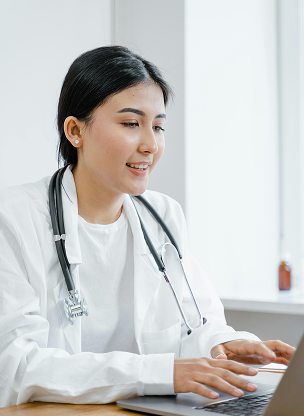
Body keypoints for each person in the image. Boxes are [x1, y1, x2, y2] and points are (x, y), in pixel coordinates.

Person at [0, 46, 294, 407]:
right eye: (130, 123)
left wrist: (221, 344)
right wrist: (158, 373)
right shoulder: (13, 219)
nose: (151, 145)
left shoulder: (163, 216)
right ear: (76, 131)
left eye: (158, 126)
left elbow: (193, 324)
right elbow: (15, 366)